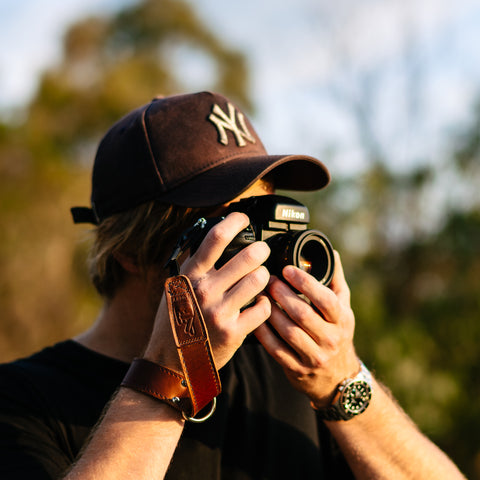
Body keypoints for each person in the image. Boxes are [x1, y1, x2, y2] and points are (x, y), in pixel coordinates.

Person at [0, 91, 465, 480]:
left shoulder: (290, 371)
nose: (256, 254)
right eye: (232, 229)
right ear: (129, 250)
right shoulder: (21, 400)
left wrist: (342, 381)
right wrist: (171, 374)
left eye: (264, 222)